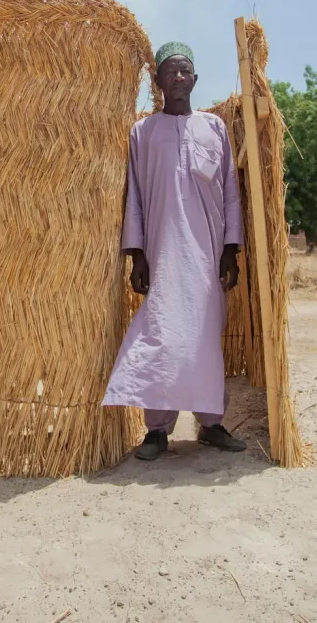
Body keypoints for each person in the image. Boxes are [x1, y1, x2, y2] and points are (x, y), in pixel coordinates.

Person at [102, 41, 247, 460]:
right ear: (158, 81)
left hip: (206, 254)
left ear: (195, 79)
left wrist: (230, 252)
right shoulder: (143, 133)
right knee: (162, 334)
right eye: (171, 72)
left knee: (204, 337)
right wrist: (138, 255)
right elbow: (136, 199)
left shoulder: (214, 128)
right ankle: (157, 431)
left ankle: (211, 424)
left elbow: (231, 195)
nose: (179, 78)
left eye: (185, 71)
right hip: (163, 253)